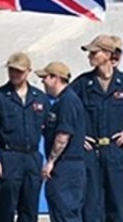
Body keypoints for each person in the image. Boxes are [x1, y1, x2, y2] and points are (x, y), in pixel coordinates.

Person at [73, 34, 123, 222]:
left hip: (115, 152)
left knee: (118, 206)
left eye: (94, 52)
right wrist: (77, 136)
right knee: (91, 209)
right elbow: (64, 109)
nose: (90, 56)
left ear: (108, 54)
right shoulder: (83, 83)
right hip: (91, 155)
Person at [0, 52, 48, 222]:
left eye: (19, 71)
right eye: (12, 70)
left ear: (28, 71)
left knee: (29, 209)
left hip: (32, 158)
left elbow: (49, 128)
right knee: (5, 208)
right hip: (8, 157)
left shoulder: (39, 98)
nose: (14, 74)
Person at [39, 61, 86, 222]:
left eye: (45, 77)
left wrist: (51, 161)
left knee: (65, 215)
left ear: (55, 78)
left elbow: (63, 136)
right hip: (66, 167)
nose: (42, 82)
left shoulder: (67, 101)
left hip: (66, 167)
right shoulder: (61, 101)